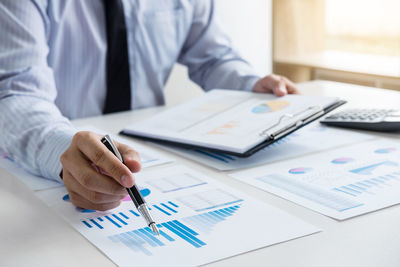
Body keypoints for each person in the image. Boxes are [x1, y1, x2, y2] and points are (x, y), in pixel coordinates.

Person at [0, 0, 298, 211]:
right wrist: (60, 148)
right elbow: (15, 91)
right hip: (43, 166)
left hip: (148, 152)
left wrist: (250, 83)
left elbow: (213, 58)